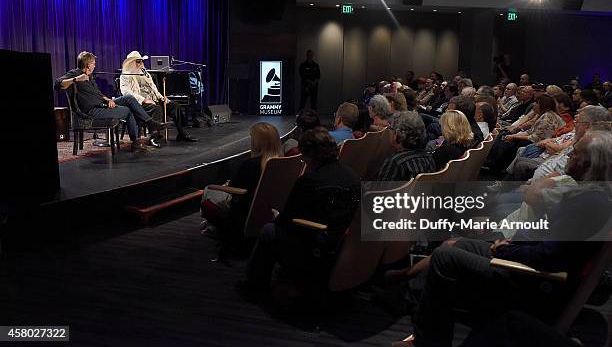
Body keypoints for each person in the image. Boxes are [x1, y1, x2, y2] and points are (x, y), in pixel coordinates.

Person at [394, 130, 612, 347]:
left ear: (588, 165)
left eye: (576, 153)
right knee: (460, 244)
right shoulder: (588, 195)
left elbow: (547, 257)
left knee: (444, 257)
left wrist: (505, 250)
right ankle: (412, 307)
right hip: (523, 260)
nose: (569, 154)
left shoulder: (588, 203)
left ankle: (427, 341)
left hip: (530, 282)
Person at [245, 127, 360, 290]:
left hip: (315, 242)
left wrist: (276, 216)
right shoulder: (352, 175)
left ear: (310, 155)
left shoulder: (309, 181)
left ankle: (254, 285)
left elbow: (288, 220)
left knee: (269, 230)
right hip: (342, 242)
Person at [55, 51, 168, 153]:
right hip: (92, 111)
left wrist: (107, 99)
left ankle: (149, 123)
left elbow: (97, 94)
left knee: (128, 98)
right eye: (94, 63)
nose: (95, 65)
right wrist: (76, 79)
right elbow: (57, 84)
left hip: (102, 104)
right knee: (129, 110)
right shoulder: (74, 74)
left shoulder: (90, 77)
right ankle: (137, 141)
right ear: (88, 65)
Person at [201, 122, 283, 259]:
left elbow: (235, 188)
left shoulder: (251, 165)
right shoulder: (283, 162)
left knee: (208, 190)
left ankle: (213, 229)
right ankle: (213, 229)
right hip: (269, 210)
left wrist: (226, 186)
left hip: (244, 208)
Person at [120, 51, 197, 146]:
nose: (141, 64)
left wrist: (162, 97)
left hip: (154, 100)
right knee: (157, 109)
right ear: (131, 63)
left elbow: (154, 88)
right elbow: (127, 93)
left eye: (141, 61)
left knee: (175, 106)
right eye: (138, 61)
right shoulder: (125, 76)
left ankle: (181, 133)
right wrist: (144, 100)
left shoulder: (145, 73)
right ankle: (153, 137)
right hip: (140, 104)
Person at [376, 112, 436, 181]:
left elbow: (380, 190)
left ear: (397, 135)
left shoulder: (395, 163)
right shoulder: (429, 159)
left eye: (391, 129)